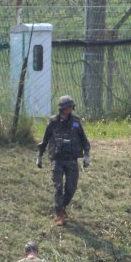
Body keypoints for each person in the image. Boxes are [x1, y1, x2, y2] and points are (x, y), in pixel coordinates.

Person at [36, 94, 91, 227]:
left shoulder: (76, 121)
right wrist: (40, 156)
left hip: (72, 159)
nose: (69, 109)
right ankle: (59, 214)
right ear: (62, 108)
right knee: (58, 187)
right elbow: (45, 139)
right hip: (57, 159)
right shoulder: (53, 122)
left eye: (71, 107)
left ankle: (62, 207)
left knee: (71, 187)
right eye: (67, 107)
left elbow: (84, 139)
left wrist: (87, 155)